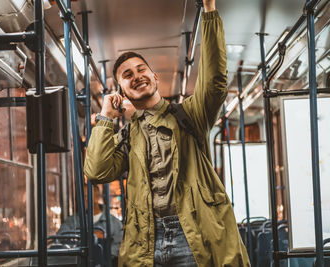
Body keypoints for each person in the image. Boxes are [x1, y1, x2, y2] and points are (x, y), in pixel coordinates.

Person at [84, 0, 250, 266]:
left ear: (155, 77)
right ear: (122, 92)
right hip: (146, 241)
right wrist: (105, 118)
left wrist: (209, 11)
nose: (136, 76)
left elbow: (215, 82)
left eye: (141, 70)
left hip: (193, 234)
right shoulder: (128, 136)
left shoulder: (190, 115)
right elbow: (96, 172)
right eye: (127, 75)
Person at [57, 185, 123, 261]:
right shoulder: (74, 219)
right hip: (79, 262)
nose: (83, 200)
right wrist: (90, 235)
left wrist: (103, 258)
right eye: (81, 197)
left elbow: (119, 245)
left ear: (97, 197)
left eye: (86, 196)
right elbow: (61, 235)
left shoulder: (113, 222)